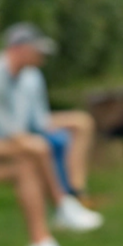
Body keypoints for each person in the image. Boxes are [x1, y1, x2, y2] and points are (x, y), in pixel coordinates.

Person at [0, 24, 98, 246]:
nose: (41, 57)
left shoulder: (30, 76)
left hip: (15, 135)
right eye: (37, 51)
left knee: (78, 124)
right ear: (18, 49)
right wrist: (36, 141)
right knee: (36, 149)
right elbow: (6, 133)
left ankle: (71, 198)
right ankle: (62, 207)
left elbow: (37, 121)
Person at [15, 64, 94, 201]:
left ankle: (77, 188)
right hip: (21, 127)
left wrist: (44, 124)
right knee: (58, 140)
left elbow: (39, 110)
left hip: (40, 120)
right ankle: (64, 197)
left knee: (82, 122)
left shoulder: (34, 74)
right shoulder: (8, 74)